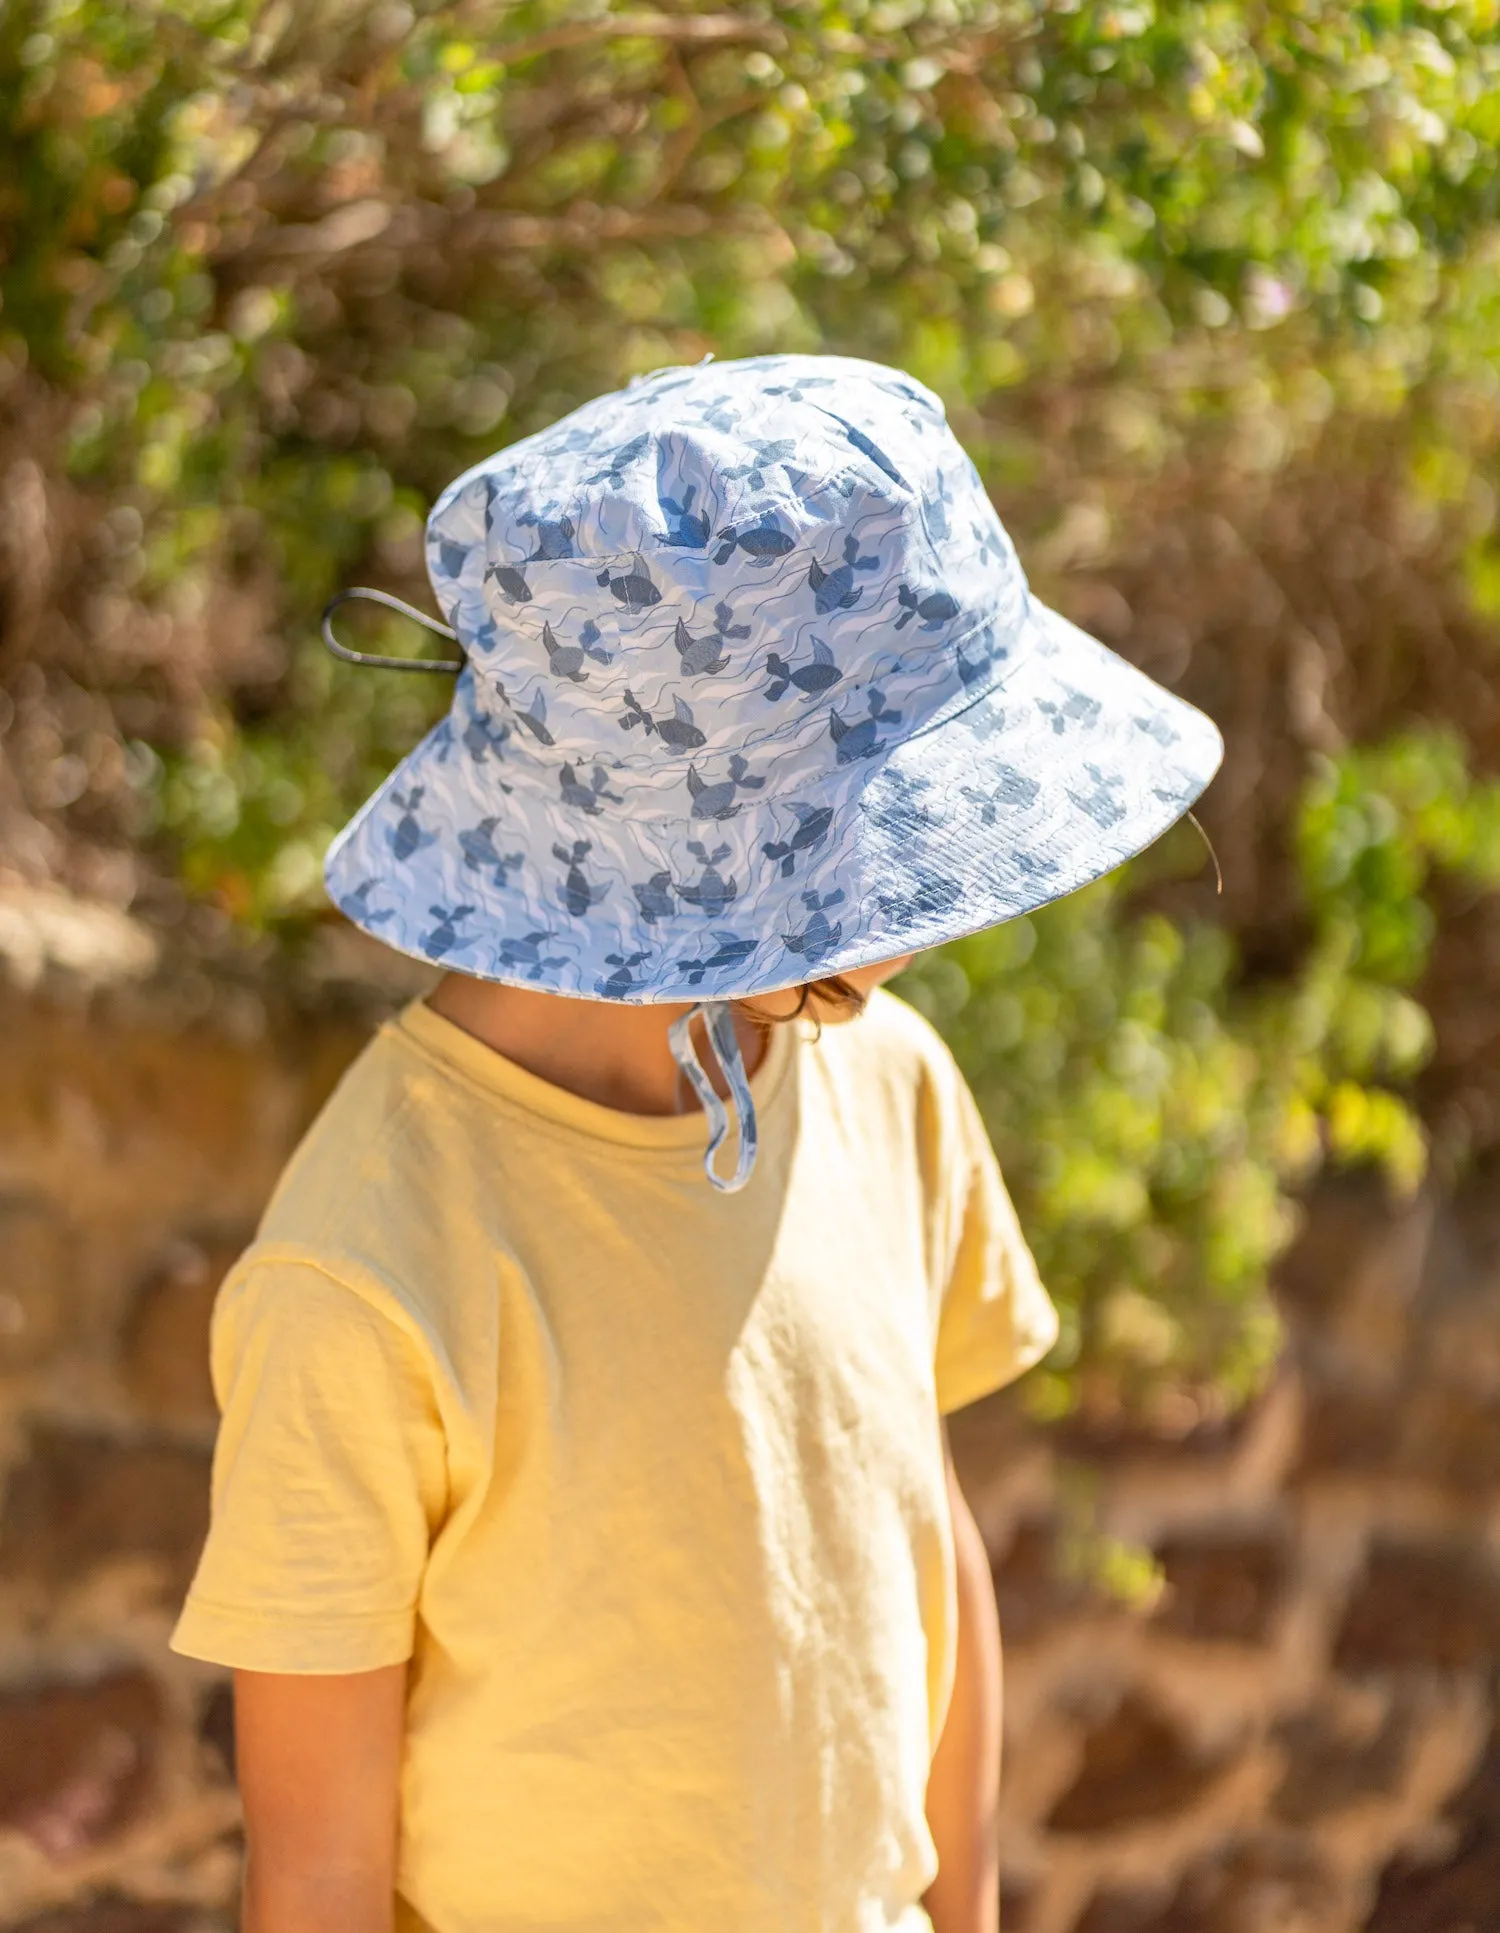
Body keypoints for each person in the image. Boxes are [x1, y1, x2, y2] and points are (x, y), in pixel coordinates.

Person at [172, 354, 1222, 1933]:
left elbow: (924, 1552)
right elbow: (316, 1869)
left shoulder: (886, 1085)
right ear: (736, 867)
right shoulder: (365, 1274)